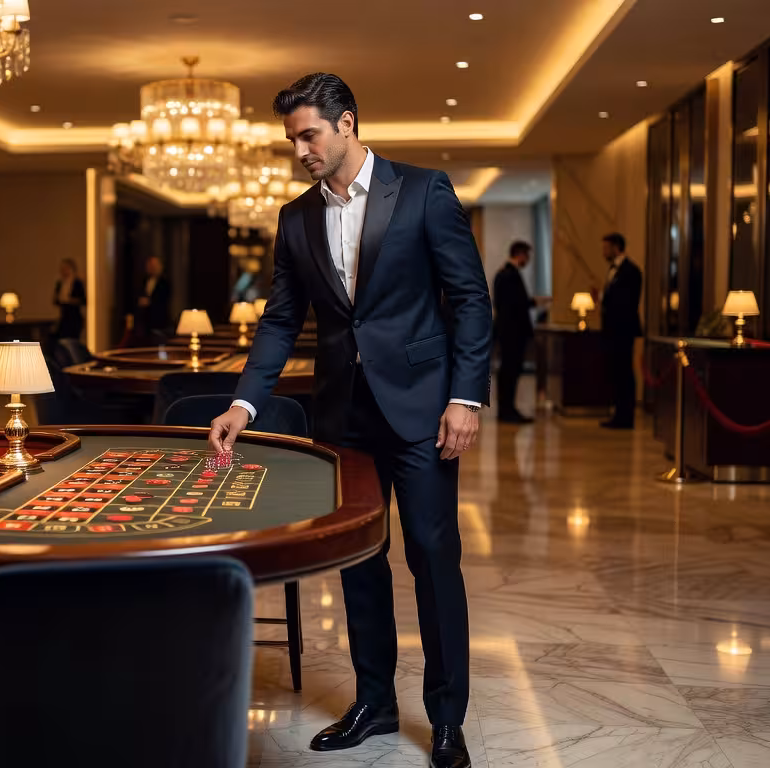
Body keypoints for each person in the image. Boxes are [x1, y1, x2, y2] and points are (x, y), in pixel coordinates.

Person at [208, 73, 490, 768]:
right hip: (341, 416)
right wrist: (243, 402)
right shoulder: (294, 218)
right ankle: (374, 701)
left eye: (309, 134)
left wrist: (466, 397)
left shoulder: (424, 191)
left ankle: (447, 719)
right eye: (292, 139)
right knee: (360, 562)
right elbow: (281, 321)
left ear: (347, 124)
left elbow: (471, 301)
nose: (300, 149)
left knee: (432, 559)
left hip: (423, 411)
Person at [597, 232, 642, 429]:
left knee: (624, 372)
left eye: (606, 248)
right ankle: (618, 413)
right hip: (612, 331)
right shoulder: (613, 270)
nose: (603, 252)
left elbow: (626, 302)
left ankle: (625, 415)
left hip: (623, 331)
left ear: (616, 247)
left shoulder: (631, 271)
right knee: (616, 372)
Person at [492, 241, 534, 424]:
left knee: (509, 370)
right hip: (512, 333)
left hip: (507, 331)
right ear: (520, 254)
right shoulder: (510, 275)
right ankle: (507, 409)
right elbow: (514, 305)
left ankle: (507, 408)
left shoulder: (504, 273)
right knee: (510, 370)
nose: (528, 260)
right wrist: (531, 303)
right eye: (527, 255)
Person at [136, 256, 171, 343]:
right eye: (150, 266)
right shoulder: (142, 281)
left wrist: (150, 302)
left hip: (159, 322)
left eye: (155, 266)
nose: (152, 268)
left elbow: (164, 300)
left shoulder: (165, 283)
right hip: (143, 323)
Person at [53, 258, 86, 342]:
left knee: (73, 341)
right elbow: (55, 300)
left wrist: (69, 300)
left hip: (75, 318)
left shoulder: (77, 283)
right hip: (64, 317)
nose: (64, 271)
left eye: (66, 268)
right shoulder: (60, 283)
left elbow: (83, 300)